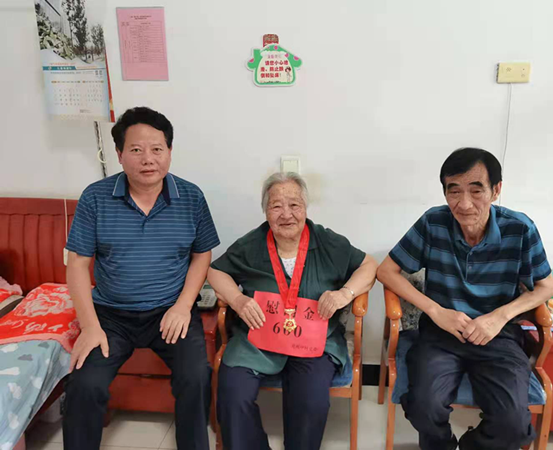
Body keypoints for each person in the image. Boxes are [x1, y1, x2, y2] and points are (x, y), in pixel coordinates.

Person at [63, 106, 220, 450]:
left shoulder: (191, 197)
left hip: (170, 310)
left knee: (196, 377)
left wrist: (183, 306)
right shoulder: (95, 198)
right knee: (84, 384)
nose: (148, 159)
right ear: (119, 154)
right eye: (136, 149)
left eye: (157, 149)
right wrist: (90, 326)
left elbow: (202, 254)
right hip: (111, 316)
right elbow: (76, 264)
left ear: (170, 151)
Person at [377, 147, 553, 450]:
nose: (464, 204)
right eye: (454, 191)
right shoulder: (433, 222)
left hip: (497, 336)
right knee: (423, 406)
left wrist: (499, 316)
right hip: (442, 334)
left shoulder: (520, 229)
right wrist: (436, 311)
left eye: (476, 190)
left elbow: (546, 286)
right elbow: (386, 271)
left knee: (513, 425)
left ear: (496, 190)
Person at [208, 172, 377, 450]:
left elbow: (368, 265)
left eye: (294, 205)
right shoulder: (251, 245)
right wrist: (237, 300)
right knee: (232, 393)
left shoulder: (327, 242)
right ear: (266, 211)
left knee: (311, 401)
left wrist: (344, 294)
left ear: (306, 207)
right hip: (258, 340)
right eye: (276, 206)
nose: (286, 214)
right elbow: (215, 271)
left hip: (314, 341)